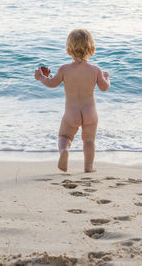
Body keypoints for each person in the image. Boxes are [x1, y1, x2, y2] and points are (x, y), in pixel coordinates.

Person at [34, 29, 110, 172]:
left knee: (64, 135)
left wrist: (41, 77)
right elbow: (104, 87)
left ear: (69, 51)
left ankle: (64, 151)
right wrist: (106, 77)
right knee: (89, 140)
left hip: (71, 112)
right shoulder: (95, 70)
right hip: (90, 112)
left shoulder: (64, 69)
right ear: (93, 50)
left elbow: (52, 84)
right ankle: (88, 167)